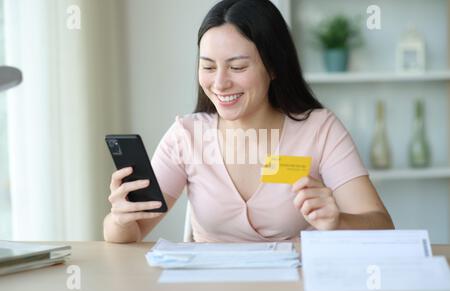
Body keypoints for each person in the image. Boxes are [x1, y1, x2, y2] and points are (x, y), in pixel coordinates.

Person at [103, 0, 394, 243]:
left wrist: (338, 221)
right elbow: (133, 233)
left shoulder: (320, 129)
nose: (219, 83)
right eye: (207, 66)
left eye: (238, 67)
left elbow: (382, 226)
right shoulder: (186, 136)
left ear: (274, 66)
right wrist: (120, 218)